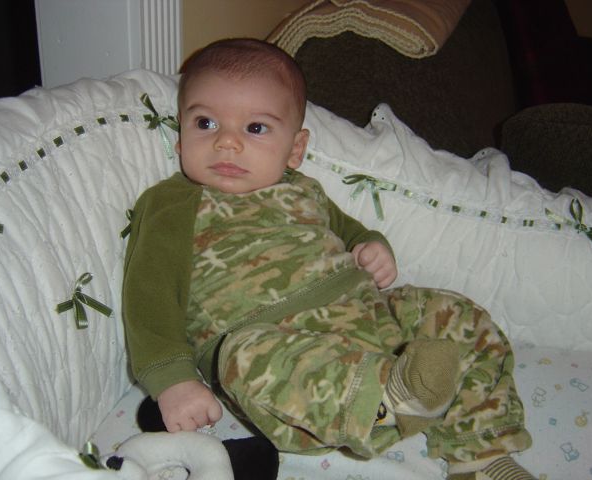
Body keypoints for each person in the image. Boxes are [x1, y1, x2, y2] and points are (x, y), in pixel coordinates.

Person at [122, 38, 536, 480]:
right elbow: (149, 294)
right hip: (290, 363)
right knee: (240, 355)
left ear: (295, 149)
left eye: (255, 128)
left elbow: (346, 231)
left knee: (453, 313)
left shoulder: (304, 189)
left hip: (368, 317)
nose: (226, 142)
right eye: (205, 123)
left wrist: (371, 246)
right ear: (180, 136)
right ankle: (384, 403)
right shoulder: (172, 203)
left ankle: (480, 454)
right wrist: (172, 379)